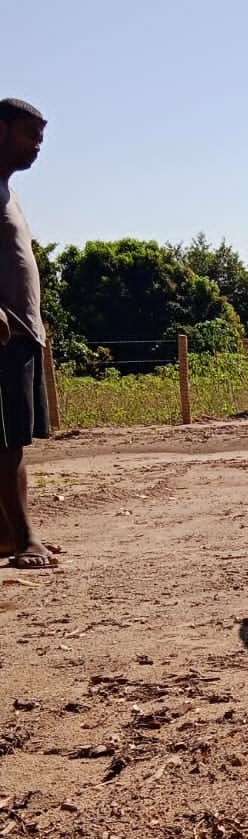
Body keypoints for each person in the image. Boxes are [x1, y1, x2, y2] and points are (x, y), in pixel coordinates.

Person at [0, 98, 57, 569]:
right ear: (1, 130)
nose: (38, 145)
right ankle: (24, 539)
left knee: (14, 435)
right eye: (30, 134)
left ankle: (6, 535)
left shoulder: (7, 190)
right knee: (5, 441)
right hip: (0, 336)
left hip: (20, 333)